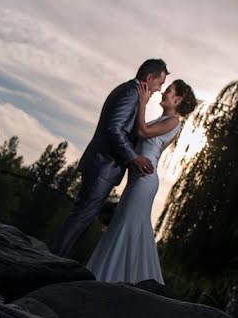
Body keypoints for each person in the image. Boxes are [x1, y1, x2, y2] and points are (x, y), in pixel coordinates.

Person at [50, 59, 169, 257]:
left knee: (83, 217)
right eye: (159, 83)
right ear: (149, 78)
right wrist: (134, 158)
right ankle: (54, 259)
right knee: (82, 216)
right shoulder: (131, 93)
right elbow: (114, 128)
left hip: (103, 165)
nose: (159, 89)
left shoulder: (129, 91)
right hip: (103, 165)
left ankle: (57, 258)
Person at [85, 79, 198, 284]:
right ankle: (124, 279)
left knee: (126, 225)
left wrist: (143, 102)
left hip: (145, 181)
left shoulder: (173, 121)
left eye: (169, 91)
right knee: (125, 225)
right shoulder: (162, 119)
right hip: (136, 180)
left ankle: (108, 280)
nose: (164, 93)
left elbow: (142, 132)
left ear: (178, 99)